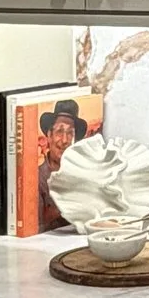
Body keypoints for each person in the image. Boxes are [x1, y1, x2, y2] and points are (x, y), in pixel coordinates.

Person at [31, 97, 88, 236]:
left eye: (70, 133)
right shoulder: (38, 177)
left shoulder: (83, 172)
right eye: (59, 131)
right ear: (49, 135)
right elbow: (36, 226)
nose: (64, 140)